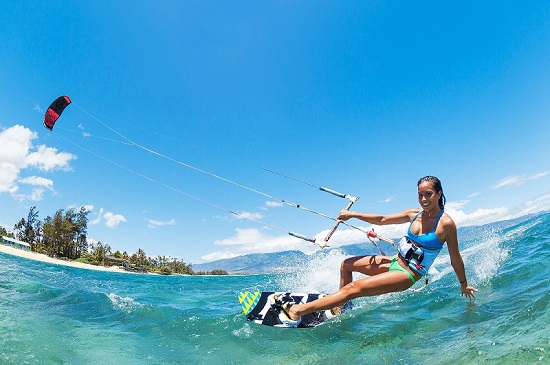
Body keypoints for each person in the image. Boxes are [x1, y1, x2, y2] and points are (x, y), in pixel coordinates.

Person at [271, 176, 478, 327]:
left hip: (407, 274)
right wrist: (351, 215)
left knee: (353, 288)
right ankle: (339, 308)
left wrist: (464, 284)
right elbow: (381, 220)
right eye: (420, 195)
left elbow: (455, 258)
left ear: (439, 193)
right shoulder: (414, 214)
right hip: (394, 261)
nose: (423, 199)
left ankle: (296, 311)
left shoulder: (446, 224)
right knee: (346, 265)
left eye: (428, 194)